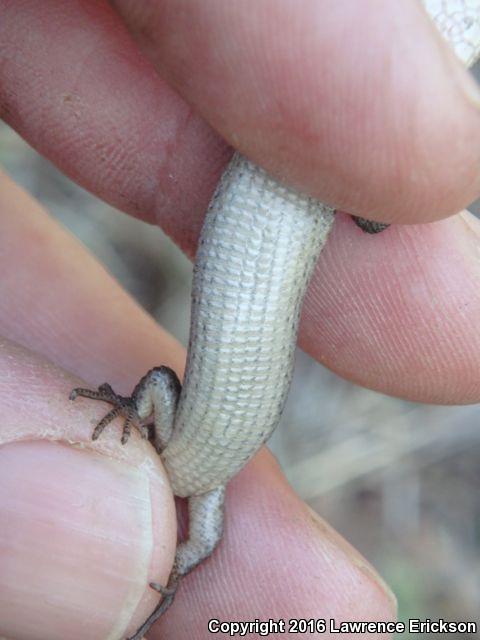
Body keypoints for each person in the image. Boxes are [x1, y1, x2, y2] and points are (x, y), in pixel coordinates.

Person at [0, 1, 479, 638]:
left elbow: (157, 394)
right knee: (370, 134)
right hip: (296, 182)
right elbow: (195, 525)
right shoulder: (208, 487)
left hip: (284, 191)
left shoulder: (187, 464)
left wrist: (126, 414)